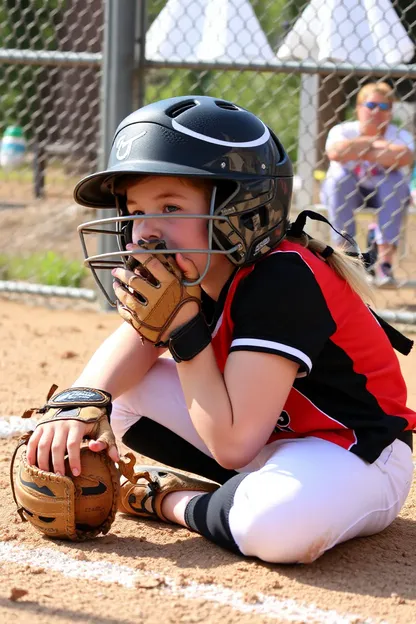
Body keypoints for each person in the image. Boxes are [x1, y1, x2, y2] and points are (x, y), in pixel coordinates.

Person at [26, 96, 415, 564]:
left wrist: (185, 330)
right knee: (122, 394)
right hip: (268, 436)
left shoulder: (282, 276)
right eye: (136, 210)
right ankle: (246, 493)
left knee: (273, 529)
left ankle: (173, 501)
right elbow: (137, 341)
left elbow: (232, 445)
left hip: (354, 452)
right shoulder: (200, 269)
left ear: (242, 210)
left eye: (170, 208)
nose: (146, 233)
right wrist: (80, 401)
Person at [321, 82, 414, 288]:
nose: (376, 112)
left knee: (395, 179)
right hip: (349, 190)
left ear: (390, 112)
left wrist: (358, 147)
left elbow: (404, 156)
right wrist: (378, 144)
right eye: (371, 105)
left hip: (383, 193)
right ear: (359, 108)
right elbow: (336, 153)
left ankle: (385, 264)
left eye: (384, 107)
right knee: (339, 177)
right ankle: (346, 257)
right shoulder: (343, 129)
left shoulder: (400, 135)